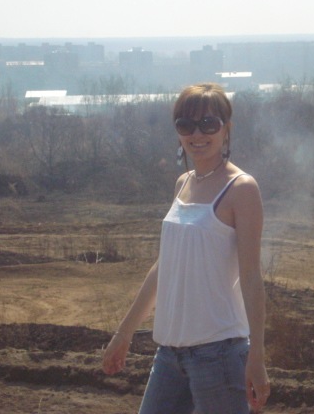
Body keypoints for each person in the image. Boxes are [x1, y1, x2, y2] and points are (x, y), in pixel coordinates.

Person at [102, 83, 270, 413]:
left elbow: (251, 277)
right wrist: (123, 334)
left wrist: (257, 357)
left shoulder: (241, 188)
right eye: (186, 125)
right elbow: (163, 267)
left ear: (226, 128)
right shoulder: (183, 183)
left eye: (208, 124)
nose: (197, 134)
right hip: (169, 355)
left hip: (219, 355)